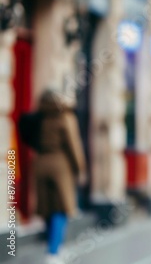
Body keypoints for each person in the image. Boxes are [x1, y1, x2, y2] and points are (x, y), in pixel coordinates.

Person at [33, 89, 87, 264]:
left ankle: (52, 246)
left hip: (41, 162)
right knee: (61, 208)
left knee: (48, 207)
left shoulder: (40, 117)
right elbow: (73, 146)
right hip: (60, 165)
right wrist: (80, 169)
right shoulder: (65, 117)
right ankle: (53, 251)